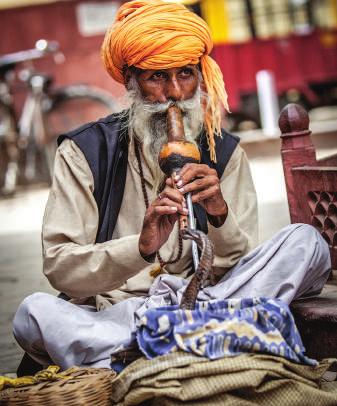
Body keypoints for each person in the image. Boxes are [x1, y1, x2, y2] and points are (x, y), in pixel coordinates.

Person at [13, 0, 330, 371]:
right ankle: (211, 341)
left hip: (210, 302)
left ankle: (152, 351)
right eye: (157, 77)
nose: (176, 93)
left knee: (305, 243)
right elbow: (61, 268)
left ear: (200, 74)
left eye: (186, 73)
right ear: (130, 80)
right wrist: (141, 248)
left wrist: (219, 215)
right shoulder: (84, 151)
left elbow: (241, 266)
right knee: (33, 313)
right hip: (120, 314)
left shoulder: (223, 152)